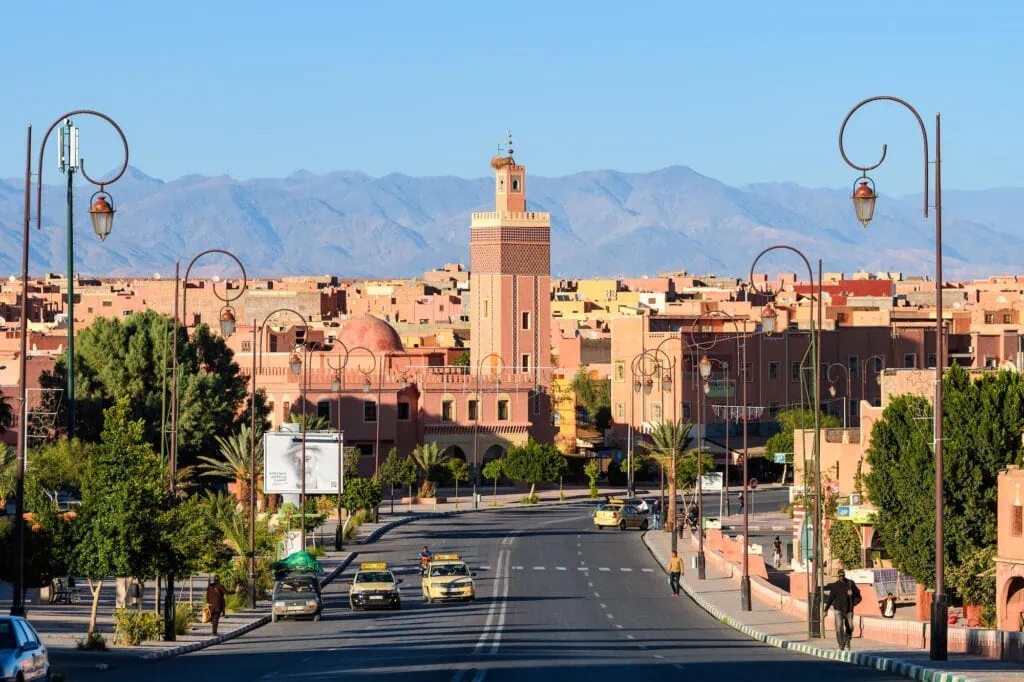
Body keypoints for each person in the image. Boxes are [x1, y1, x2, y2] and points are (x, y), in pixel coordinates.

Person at [823, 569, 861, 650]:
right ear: (838, 576)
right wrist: (825, 610)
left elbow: (858, 595)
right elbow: (830, 598)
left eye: (842, 575)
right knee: (839, 626)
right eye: (840, 576)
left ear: (845, 575)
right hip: (838, 609)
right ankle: (841, 643)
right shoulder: (835, 585)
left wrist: (854, 601)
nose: (841, 577)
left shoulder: (850, 583)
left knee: (850, 627)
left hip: (849, 609)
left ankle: (847, 639)